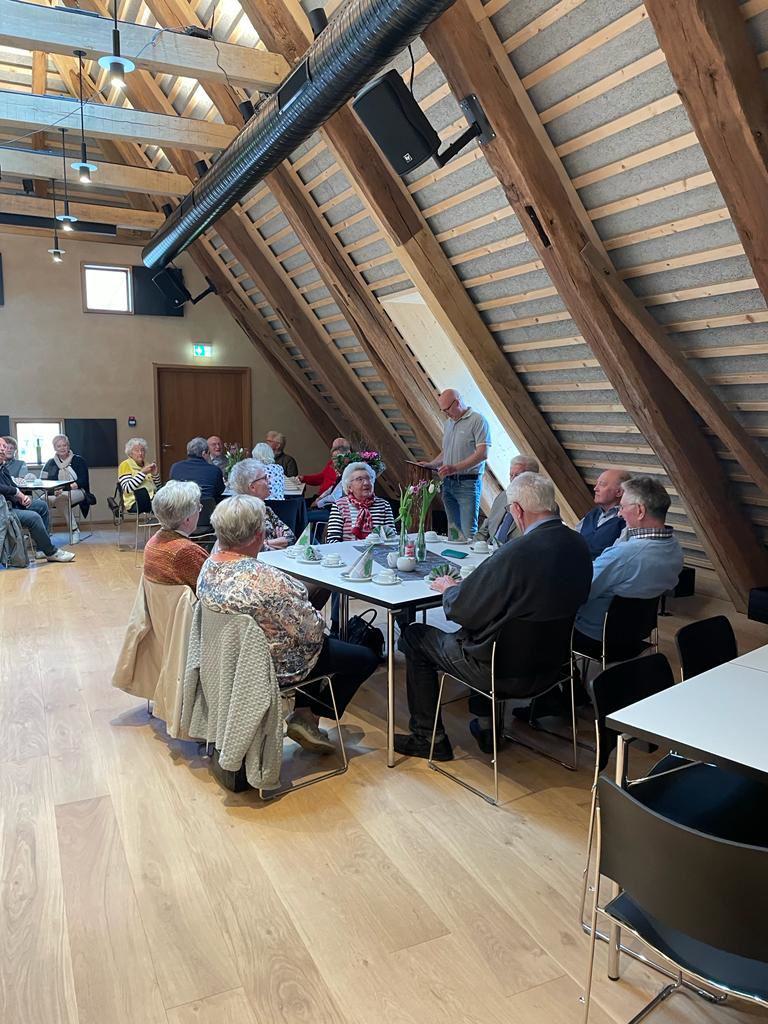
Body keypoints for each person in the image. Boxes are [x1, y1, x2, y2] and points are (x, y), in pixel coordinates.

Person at [393, 473, 592, 761]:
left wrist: (449, 589)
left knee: (415, 636)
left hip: (501, 670)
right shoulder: (579, 544)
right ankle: (486, 724)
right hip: (553, 665)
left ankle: (429, 738)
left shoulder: (517, 553)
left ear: (517, 510)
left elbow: (463, 609)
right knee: (492, 625)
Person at [197, 495, 378, 753]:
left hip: (226, 658)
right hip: (270, 665)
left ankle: (304, 713)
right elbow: (313, 632)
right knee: (364, 657)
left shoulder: (209, 565)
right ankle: (310, 716)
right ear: (259, 535)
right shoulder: (270, 581)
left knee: (310, 644)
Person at [573, 476, 683, 650]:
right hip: (638, 634)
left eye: (622, 507)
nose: (619, 513)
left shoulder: (623, 555)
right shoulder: (675, 548)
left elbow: (579, 592)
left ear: (640, 510)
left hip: (596, 635)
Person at [419, 389, 491, 539]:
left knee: (467, 532)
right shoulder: (449, 423)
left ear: (457, 403)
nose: (446, 414)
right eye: (443, 410)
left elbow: (482, 454)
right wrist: (432, 464)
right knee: (453, 531)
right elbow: (447, 451)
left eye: (447, 409)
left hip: (467, 483)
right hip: (448, 483)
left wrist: (455, 468)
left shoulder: (478, 421)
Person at [0, 437, 75, 563]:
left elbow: (12, 486)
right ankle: (51, 552)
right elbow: (6, 488)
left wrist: (21, 498)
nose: (4, 449)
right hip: (4, 510)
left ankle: (41, 549)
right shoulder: (50, 462)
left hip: (13, 503)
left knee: (41, 505)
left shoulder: (3, 467)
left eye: (5, 446)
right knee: (33, 517)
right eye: (1, 446)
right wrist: (18, 494)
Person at [143, 480, 207, 591]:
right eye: (198, 507)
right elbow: (212, 587)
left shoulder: (152, 542)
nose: (200, 511)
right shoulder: (186, 552)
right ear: (187, 519)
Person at [228, 460, 295, 549]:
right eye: (265, 478)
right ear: (252, 487)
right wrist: (277, 543)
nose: (270, 481)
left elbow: (291, 538)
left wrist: (266, 543)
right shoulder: (240, 515)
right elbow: (250, 548)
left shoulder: (266, 510)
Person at [41, 434, 95, 543]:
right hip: (55, 492)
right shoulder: (50, 463)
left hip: (77, 491)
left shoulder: (78, 460)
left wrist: (65, 489)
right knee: (40, 502)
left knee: (61, 499)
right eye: (59, 446)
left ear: (68, 446)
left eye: (64, 445)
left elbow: (83, 480)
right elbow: (43, 481)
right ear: (54, 448)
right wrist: (54, 490)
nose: (62, 448)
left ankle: (74, 531)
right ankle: (42, 533)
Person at [475, 454, 539, 545]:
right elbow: (485, 528)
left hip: (515, 551)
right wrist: (475, 545)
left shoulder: (539, 505)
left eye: (517, 475)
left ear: (532, 477)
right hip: (489, 548)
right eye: (511, 475)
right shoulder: (503, 496)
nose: (513, 479)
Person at [325, 461, 396, 542]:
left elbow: (392, 537)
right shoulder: (339, 505)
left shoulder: (383, 505)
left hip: (378, 549)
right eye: (360, 479)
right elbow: (332, 539)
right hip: (348, 550)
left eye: (369, 478)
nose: (366, 483)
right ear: (349, 487)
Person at [576, 468, 631, 558]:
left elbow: (617, 555)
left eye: (602, 484)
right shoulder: (592, 514)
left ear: (619, 492)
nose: (595, 488)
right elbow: (573, 538)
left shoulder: (627, 520)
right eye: (596, 483)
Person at [169, 437, 225, 504]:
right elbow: (220, 491)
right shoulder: (214, 470)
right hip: (206, 508)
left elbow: (172, 488)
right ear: (204, 453)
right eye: (208, 453)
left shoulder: (175, 467)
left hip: (180, 506)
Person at [118, 438, 160, 513]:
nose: (140, 453)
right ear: (130, 453)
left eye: (142, 450)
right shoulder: (125, 465)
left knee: (172, 502)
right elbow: (127, 488)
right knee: (165, 507)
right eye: (137, 451)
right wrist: (143, 473)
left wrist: (155, 475)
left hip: (153, 498)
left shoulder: (146, 464)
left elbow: (158, 486)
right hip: (135, 501)